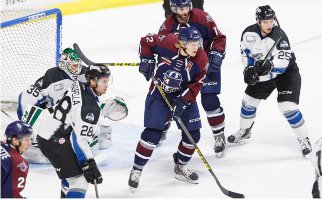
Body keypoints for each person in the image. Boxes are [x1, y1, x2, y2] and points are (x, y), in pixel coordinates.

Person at [128, 27, 207, 190]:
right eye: (191, 44)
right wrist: (146, 59)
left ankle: (180, 166)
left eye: (197, 43)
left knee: (193, 135)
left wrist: (183, 102)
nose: (195, 47)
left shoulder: (201, 59)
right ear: (181, 43)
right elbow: (146, 40)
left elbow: (196, 84)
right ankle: (137, 169)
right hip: (160, 93)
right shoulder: (167, 42)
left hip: (183, 95)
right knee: (152, 134)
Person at [227, 5, 312, 157]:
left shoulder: (279, 35)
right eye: (265, 21)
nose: (269, 24)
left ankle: (304, 139)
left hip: (286, 73)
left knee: (287, 106)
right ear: (258, 21)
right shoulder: (248, 33)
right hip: (265, 74)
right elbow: (246, 53)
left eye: (271, 21)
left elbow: (283, 62)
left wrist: (270, 65)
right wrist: (249, 69)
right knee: (248, 101)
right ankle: (245, 131)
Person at [29, 64, 111, 198]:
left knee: (71, 174)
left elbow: (83, 72)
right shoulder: (89, 109)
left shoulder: (79, 83)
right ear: (92, 81)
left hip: (48, 131)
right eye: (104, 81)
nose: (107, 85)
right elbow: (79, 140)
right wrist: (89, 164)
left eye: (107, 81)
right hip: (54, 140)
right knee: (80, 180)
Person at [17, 48, 111, 164]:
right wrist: (26, 125)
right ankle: (35, 140)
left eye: (78, 65)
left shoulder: (85, 74)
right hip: (56, 115)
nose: (77, 68)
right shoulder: (52, 76)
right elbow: (26, 97)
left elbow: (94, 93)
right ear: (64, 64)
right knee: (33, 113)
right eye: (73, 66)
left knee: (94, 128)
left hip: (76, 114)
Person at [158, 0, 227, 157]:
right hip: (182, 67)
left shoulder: (202, 17)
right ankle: (162, 126)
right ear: (173, 9)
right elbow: (161, 46)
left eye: (187, 7)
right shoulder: (168, 25)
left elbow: (219, 38)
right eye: (181, 8)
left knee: (209, 100)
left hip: (205, 63)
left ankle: (219, 136)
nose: (185, 11)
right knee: (171, 98)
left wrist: (216, 53)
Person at [1, 121, 33, 198]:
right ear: (15, 140)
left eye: (30, 139)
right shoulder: (19, 163)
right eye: (26, 139)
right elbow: (9, 195)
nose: (30, 143)